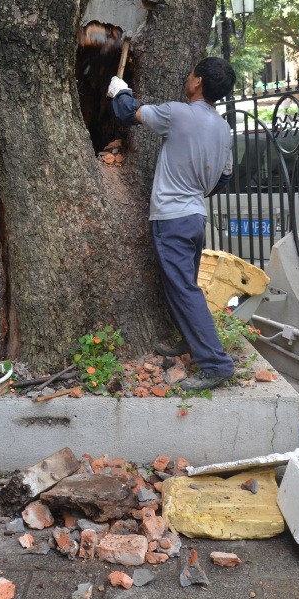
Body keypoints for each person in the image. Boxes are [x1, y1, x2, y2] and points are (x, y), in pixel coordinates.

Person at [108, 57, 237, 391]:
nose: (187, 77)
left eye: (191, 73)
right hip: (194, 216)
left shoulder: (177, 113)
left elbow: (129, 113)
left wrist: (120, 91)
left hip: (172, 218)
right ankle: (191, 340)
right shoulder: (222, 128)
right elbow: (225, 177)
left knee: (184, 289)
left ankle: (217, 364)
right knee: (183, 286)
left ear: (198, 82)